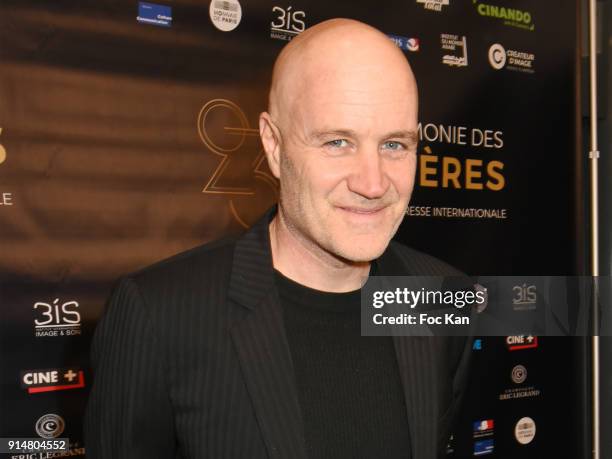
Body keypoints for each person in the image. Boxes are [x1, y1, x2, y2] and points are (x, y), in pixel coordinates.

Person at [85, 18, 472, 459]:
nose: (373, 182)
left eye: (394, 145)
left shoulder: (442, 296)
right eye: (337, 142)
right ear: (273, 145)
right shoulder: (157, 314)